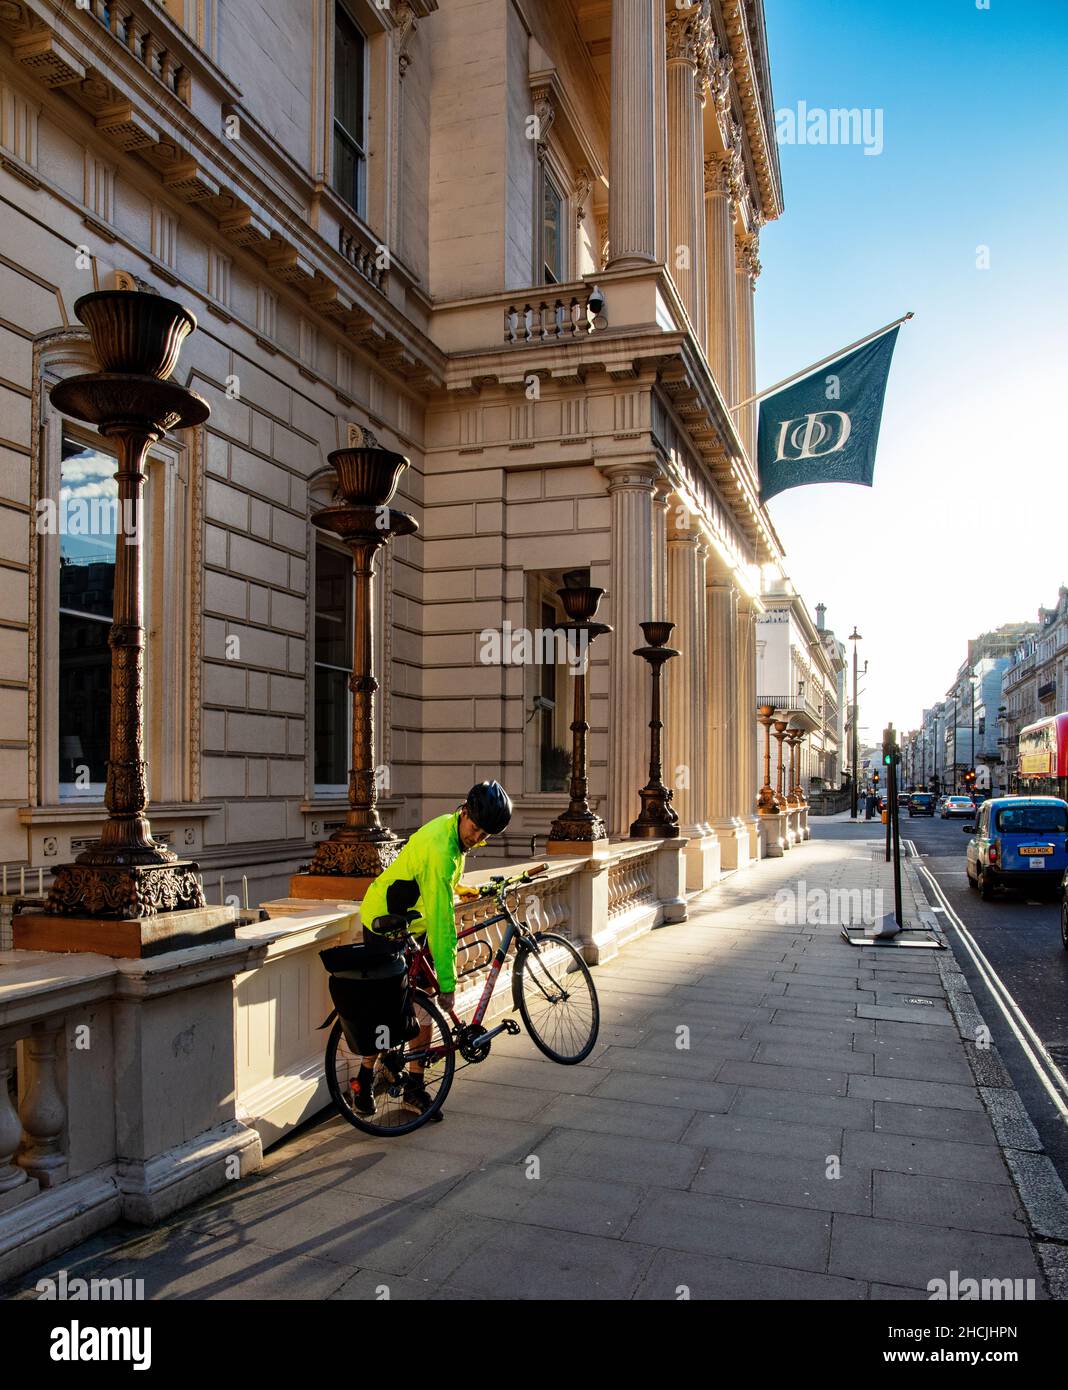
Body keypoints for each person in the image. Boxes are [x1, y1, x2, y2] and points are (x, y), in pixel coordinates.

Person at [351, 780, 513, 1118]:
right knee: (388, 1009)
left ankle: (414, 1087)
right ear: (464, 811)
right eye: (476, 828)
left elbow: (437, 882)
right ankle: (363, 1079)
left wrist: (460, 889)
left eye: (486, 834)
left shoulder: (453, 832)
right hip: (384, 921)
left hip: (413, 922)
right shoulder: (442, 847)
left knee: (423, 1008)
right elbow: (443, 924)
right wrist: (449, 984)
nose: (478, 837)